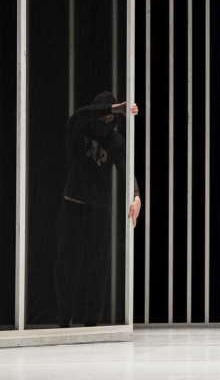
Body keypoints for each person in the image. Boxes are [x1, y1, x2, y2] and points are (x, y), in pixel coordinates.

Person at [55, 91, 141, 327]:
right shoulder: (80, 127)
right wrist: (115, 108)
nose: (107, 121)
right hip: (72, 203)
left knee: (98, 266)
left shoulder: (115, 141)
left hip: (99, 210)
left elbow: (125, 167)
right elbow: (80, 114)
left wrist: (135, 195)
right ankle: (63, 320)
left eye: (111, 117)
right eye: (104, 115)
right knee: (67, 265)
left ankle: (92, 323)